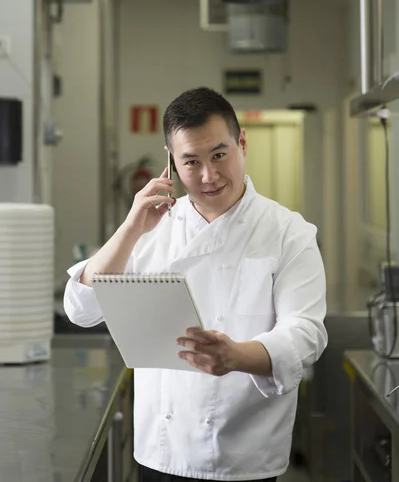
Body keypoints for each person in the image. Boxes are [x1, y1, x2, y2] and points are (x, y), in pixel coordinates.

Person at [64, 87, 327, 482]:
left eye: (219, 155)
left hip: (246, 456)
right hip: (161, 450)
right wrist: (131, 225)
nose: (209, 176)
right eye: (191, 161)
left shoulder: (288, 232)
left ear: (242, 143)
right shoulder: (150, 227)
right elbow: (80, 309)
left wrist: (236, 355)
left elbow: (306, 332)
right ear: (170, 161)